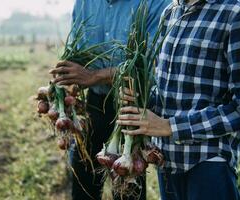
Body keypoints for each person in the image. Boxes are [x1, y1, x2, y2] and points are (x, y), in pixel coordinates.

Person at [117, 0, 240, 199]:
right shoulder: (170, 12)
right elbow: (168, 93)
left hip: (209, 165)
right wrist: (141, 99)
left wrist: (170, 126)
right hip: (167, 165)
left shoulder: (239, 13)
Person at [49, 0, 170, 199]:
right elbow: (76, 50)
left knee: (127, 185)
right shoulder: (85, 3)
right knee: (83, 183)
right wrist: (68, 78)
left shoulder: (156, 3)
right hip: (95, 104)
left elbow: (150, 66)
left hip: (132, 106)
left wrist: (94, 75)